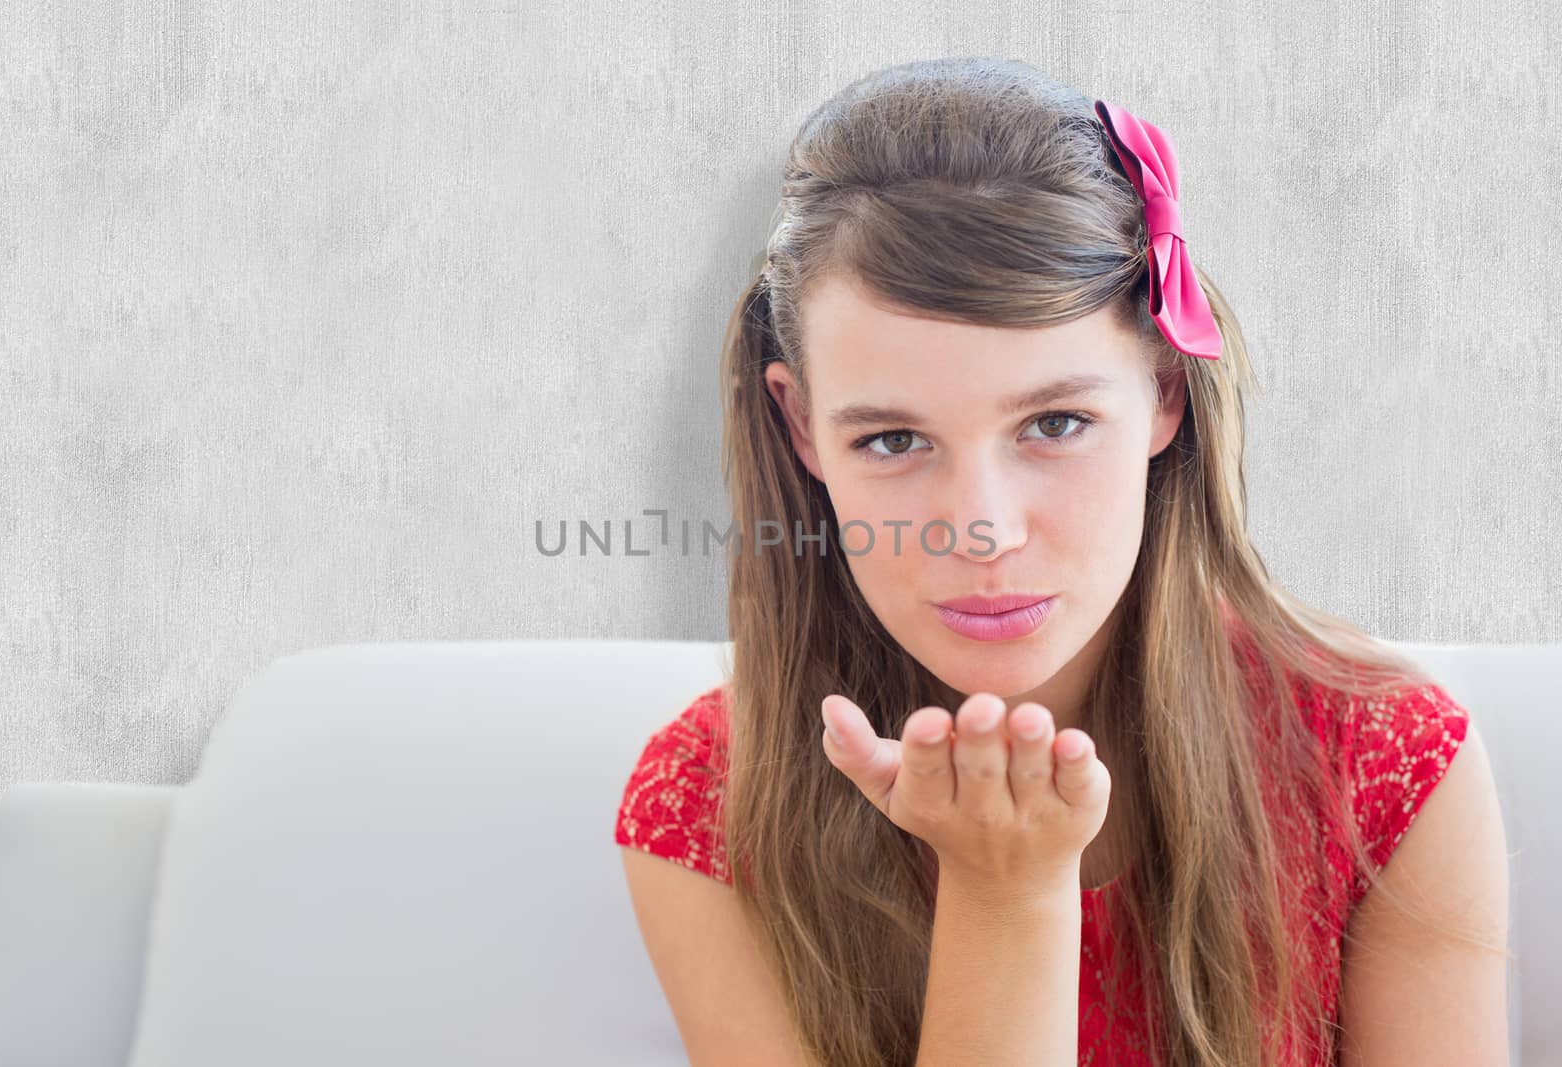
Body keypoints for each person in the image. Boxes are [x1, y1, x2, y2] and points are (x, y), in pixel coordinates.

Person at [613, 57, 1511, 1066]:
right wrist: (1005, 898)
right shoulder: (712, 799)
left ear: (1165, 394)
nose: (982, 532)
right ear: (802, 427)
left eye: (1054, 421)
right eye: (893, 441)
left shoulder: (1379, 755)